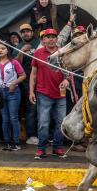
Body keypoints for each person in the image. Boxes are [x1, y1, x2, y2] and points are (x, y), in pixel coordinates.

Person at [29, 29, 69, 159]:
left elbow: (69, 71)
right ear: (44, 40)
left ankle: (57, 148)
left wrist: (66, 79)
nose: (51, 39)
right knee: (43, 123)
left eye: (53, 37)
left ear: (57, 39)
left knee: (60, 123)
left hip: (60, 94)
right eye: (48, 37)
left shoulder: (63, 52)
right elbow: (33, 74)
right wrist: (31, 91)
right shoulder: (38, 53)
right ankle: (41, 149)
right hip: (43, 93)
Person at [0, 43, 26, 151]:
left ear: (7, 50)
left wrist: (14, 83)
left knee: (13, 117)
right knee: (5, 118)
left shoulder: (14, 62)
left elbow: (23, 75)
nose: (0, 50)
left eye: (3, 48)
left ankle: (16, 142)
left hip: (13, 91)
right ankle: (7, 142)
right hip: (0, 93)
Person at [16, 24, 40, 145]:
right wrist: (22, 51)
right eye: (23, 32)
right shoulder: (19, 46)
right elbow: (17, 64)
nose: (26, 33)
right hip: (26, 84)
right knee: (31, 110)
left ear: (32, 32)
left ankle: (45, 135)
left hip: (41, 82)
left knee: (43, 110)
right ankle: (32, 135)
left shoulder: (39, 42)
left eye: (28, 31)